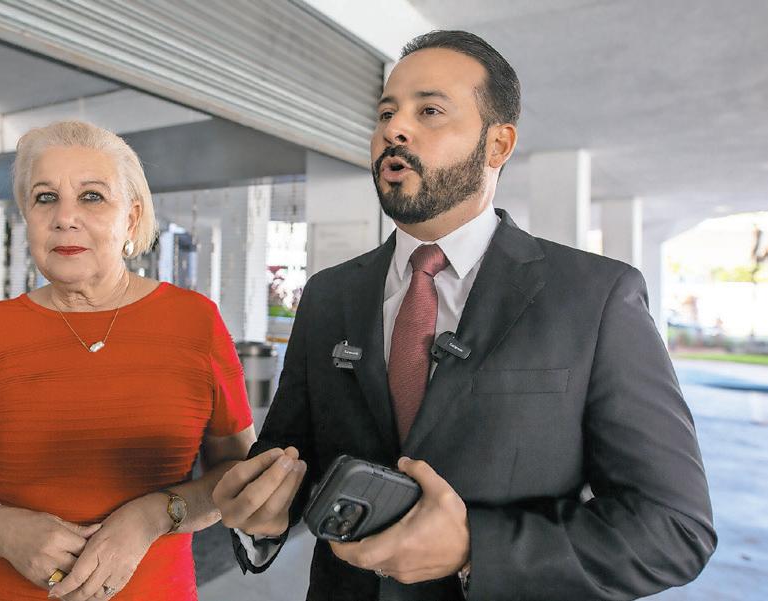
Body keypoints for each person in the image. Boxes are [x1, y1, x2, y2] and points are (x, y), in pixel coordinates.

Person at [213, 30, 715, 600]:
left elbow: (674, 529)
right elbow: (288, 460)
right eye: (386, 114)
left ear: (497, 145)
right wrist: (262, 514)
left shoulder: (596, 297)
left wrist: (475, 547)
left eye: (429, 111)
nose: (394, 130)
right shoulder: (329, 294)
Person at [0, 121, 255, 601]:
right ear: (28, 217)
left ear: (131, 219)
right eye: (45, 198)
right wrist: (1, 529)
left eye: (92, 196)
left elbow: (236, 471)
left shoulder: (196, 323)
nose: (64, 217)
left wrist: (156, 514)